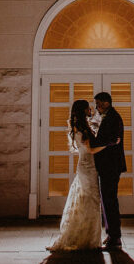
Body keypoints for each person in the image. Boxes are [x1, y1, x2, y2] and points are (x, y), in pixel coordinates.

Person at [47, 99, 119, 252]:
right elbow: (91, 149)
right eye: (88, 107)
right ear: (83, 110)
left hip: (87, 165)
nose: (90, 109)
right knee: (91, 200)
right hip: (88, 166)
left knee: (86, 200)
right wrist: (109, 143)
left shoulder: (81, 125)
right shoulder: (82, 128)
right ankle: (88, 239)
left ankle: (86, 235)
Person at [91, 91, 126, 250]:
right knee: (107, 200)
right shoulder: (106, 117)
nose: (97, 107)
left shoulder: (114, 118)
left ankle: (115, 237)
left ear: (106, 103)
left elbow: (113, 139)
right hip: (106, 165)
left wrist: (94, 144)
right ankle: (111, 234)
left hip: (111, 165)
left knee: (110, 200)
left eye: (99, 103)